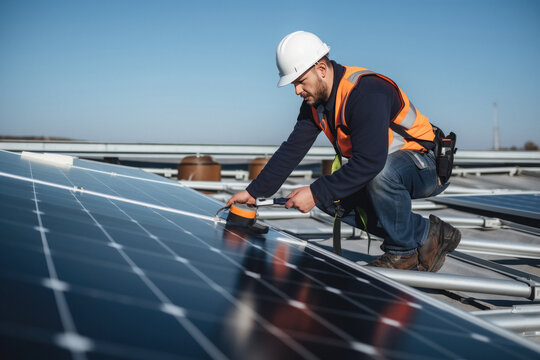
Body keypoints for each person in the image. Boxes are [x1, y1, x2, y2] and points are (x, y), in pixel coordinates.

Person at [227, 31, 461, 271]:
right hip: (388, 167)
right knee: (332, 199)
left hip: (427, 164)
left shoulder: (365, 92)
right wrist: (254, 192)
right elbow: (291, 151)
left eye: (299, 81)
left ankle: (404, 252)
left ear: (321, 68)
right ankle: (427, 233)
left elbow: (371, 162)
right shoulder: (315, 105)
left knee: (373, 175)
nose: (297, 90)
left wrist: (316, 192)